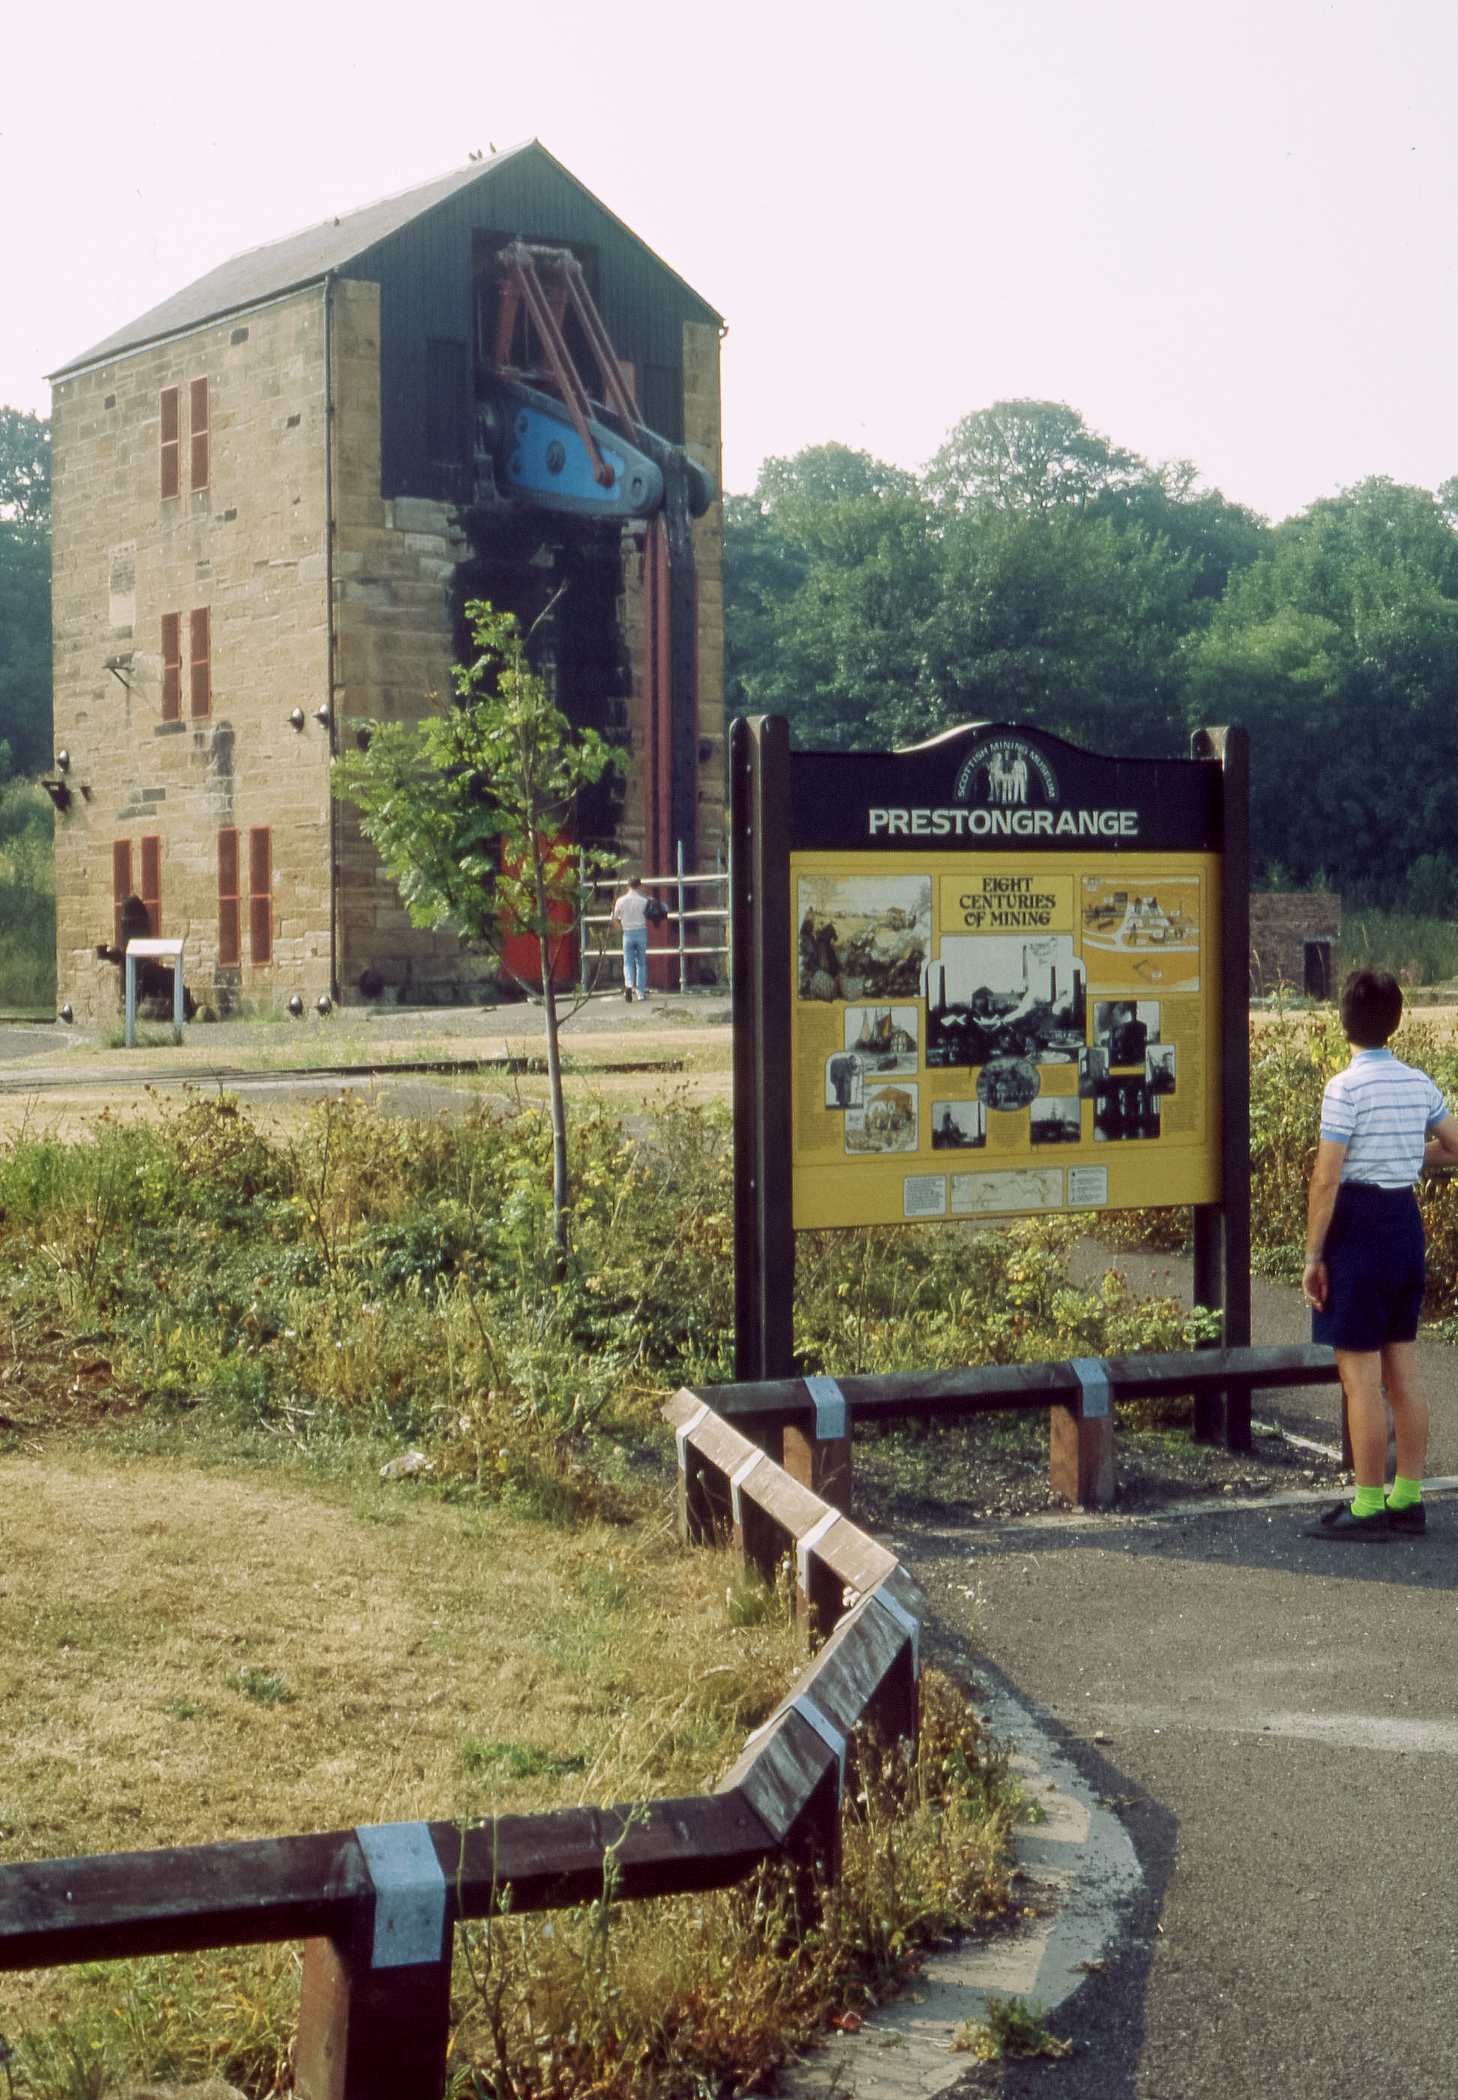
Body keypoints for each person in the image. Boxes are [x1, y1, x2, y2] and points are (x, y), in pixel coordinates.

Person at [1302, 967, 1458, 1538]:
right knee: (1404, 1374)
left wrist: (1313, 1255)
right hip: (1403, 1227)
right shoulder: (1416, 1083)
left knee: (1361, 1380)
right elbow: (1453, 1145)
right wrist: (1404, 1153)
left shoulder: (1344, 1088)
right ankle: (1408, 1498)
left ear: (1344, 1018)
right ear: (1395, 1020)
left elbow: (1327, 1178)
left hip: (1358, 1230)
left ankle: (1367, 1506)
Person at [612, 875, 650, 1003]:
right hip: (641, 931)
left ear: (627, 886)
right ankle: (640, 992)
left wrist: (620, 928)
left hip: (627, 932)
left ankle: (628, 985)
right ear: (639, 886)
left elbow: (614, 918)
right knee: (641, 963)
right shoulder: (644, 901)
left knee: (628, 962)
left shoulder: (620, 901)